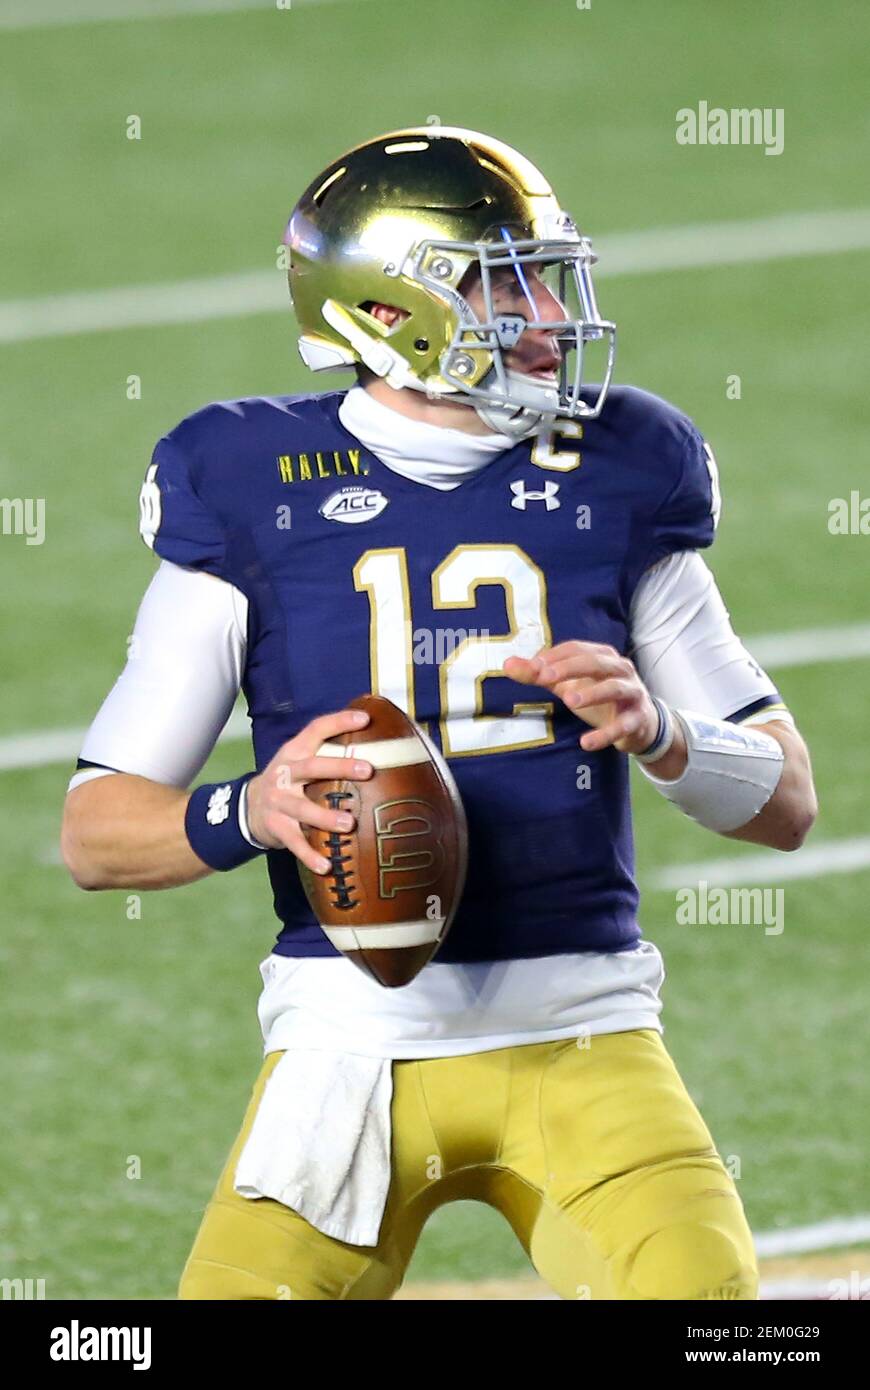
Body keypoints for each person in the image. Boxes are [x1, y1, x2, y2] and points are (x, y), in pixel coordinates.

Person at [61, 126, 817, 1300]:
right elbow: (97, 834)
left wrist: (667, 733)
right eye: (504, 278)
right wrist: (251, 809)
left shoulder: (624, 467)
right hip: (348, 1055)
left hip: (588, 1034)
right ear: (393, 306)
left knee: (717, 1325)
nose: (552, 314)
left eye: (543, 272)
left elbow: (787, 802)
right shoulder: (251, 482)